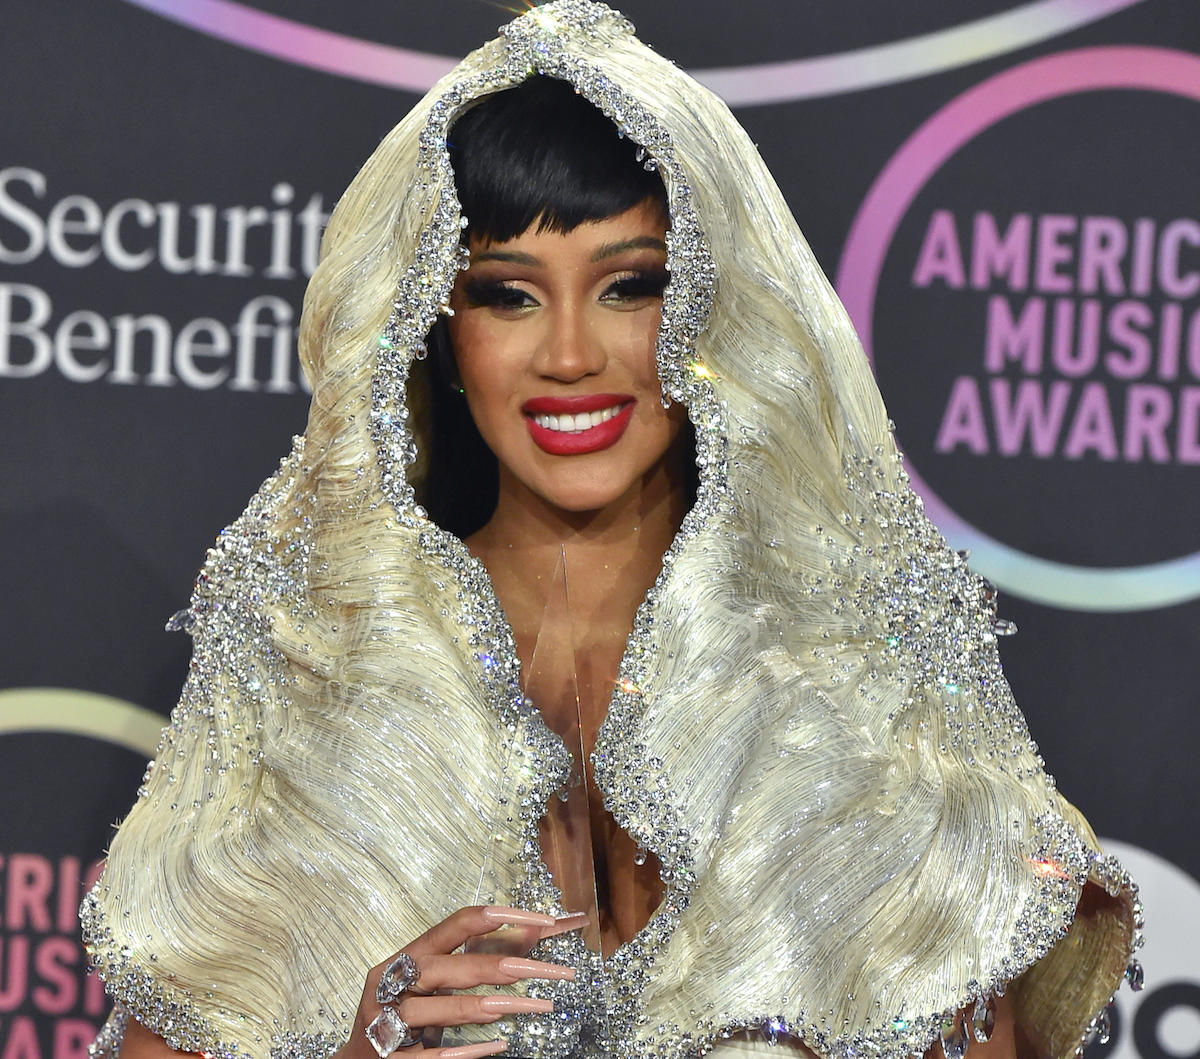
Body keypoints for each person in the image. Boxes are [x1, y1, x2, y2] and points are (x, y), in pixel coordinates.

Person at [81, 4, 1142, 1059]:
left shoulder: (849, 672)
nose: (571, 355)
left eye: (632, 286)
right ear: (433, 327)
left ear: (716, 306)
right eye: (507, 296)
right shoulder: (317, 657)